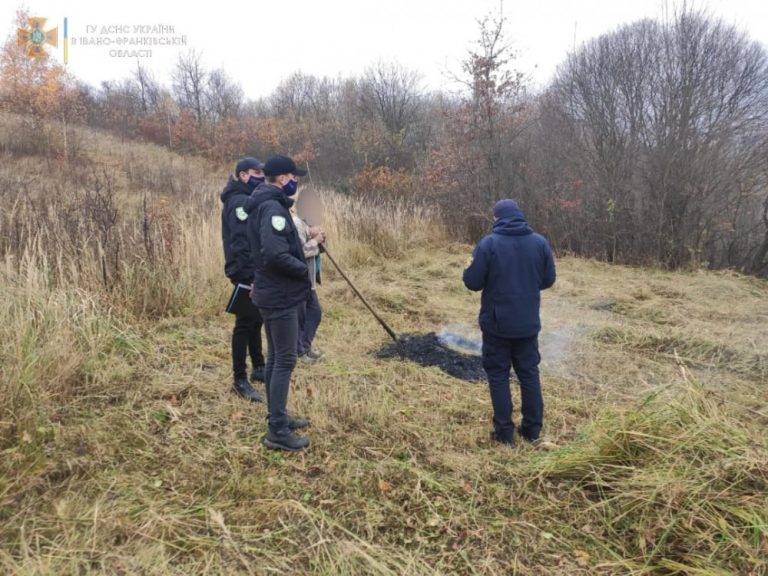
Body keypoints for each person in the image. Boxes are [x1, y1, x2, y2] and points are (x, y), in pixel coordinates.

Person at [463, 199, 556, 447]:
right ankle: (532, 430)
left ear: (497, 218)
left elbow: (472, 282)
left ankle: (505, 433)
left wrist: (468, 267)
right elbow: (548, 279)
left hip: (497, 326)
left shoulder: (489, 244)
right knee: (529, 374)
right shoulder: (539, 242)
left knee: (498, 375)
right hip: (527, 324)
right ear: (519, 215)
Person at [244, 155, 314, 451]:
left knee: (275, 358)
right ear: (282, 178)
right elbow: (274, 254)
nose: (296, 183)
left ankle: (278, 417)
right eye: (293, 178)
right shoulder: (272, 207)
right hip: (280, 295)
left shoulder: (264, 203)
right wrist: (303, 269)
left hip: (271, 292)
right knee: (284, 360)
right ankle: (277, 432)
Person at [220, 157, 266, 403]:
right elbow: (240, 242)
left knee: (256, 318)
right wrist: (251, 276)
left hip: (253, 270)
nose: (260, 176)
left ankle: (259, 366)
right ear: (243, 175)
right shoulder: (238, 201)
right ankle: (240, 379)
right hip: (244, 271)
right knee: (245, 323)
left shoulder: (247, 199)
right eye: (255, 172)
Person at [291, 205, 325, 361]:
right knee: (300, 316)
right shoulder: (296, 224)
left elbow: (320, 247)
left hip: (309, 280)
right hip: (299, 280)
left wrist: (321, 238)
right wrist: (315, 242)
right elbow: (300, 251)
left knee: (315, 312)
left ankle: (305, 346)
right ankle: (299, 352)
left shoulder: (309, 225)